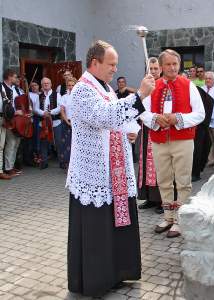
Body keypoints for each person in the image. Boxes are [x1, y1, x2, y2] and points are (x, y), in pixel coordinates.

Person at [66, 40, 155, 297]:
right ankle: (95, 281)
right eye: (111, 64)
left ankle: (116, 272)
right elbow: (104, 116)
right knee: (97, 230)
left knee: (114, 225)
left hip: (114, 169)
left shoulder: (103, 87)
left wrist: (131, 130)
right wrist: (139, 96)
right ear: (95, 63)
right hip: (94, 173)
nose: (115, 69)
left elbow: (116, 119)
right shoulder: (83, 90)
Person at [139, 49, 205, 238]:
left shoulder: (188, 85)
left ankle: (180, 220)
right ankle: (168, 216)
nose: (172, 67)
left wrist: (179, 118)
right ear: (161, 67)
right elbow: (142, 112)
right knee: (164, 180)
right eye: (168, 64)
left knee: (183, 181)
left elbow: (200, 113)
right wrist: (155, 118)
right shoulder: (154, 86)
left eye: (175, 64)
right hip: (160, 140)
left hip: (182, 139)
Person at [138, 57, 167, 213]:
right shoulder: (145, 85)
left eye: (156, 68)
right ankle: (149, 198)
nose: (154, 71)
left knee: (159, 165)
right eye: (151, 68)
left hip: (159, 128)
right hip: (146, 128)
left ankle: (162, 200)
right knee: (145, 164)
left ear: (161, 69)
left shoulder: (164, 85)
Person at [35, 78, 63, 169]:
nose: (46, 85)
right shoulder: (38, 96)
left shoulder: (57, 95)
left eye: (47, 83)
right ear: (42, 85)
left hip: (55, 122)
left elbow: (60, 107)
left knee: (58, 142)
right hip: (43, 123)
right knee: (43, 142)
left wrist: (50, 112)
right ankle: (44, 162)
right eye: (44, 83)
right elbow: (35, 109)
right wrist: (43, 113)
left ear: (51, 84)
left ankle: (62, 162)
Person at [1, 69, 23, 177]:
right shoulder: (2, 88)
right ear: (9, 77)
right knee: (8, 144)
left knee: (14, 144)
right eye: (14, 77)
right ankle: (6, 169)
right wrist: (15, 111)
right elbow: (3, 106)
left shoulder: (12, 89)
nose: (16, 79)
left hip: (12, 119)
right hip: (5, 119)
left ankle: (10, 167)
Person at [59, 77, 77, 170]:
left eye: (72, 85)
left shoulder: (79, 96)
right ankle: (67, 164)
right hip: (67, 122)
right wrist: (67, 121)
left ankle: (76, 166)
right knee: (66, 144)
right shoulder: (64, 97)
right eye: (69, 85)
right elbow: (62, 111)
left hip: (77, 124)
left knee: (76, 145)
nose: (70, 87)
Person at [29, 81, 42, 165]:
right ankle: (35, 156)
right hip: (35, 117)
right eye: (32, 86)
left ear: (38, 86)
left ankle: (44, 154)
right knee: (36, 137)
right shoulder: (29, 94)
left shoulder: (42, 94)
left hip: (44, 117)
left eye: (35, 85)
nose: (34, 87)